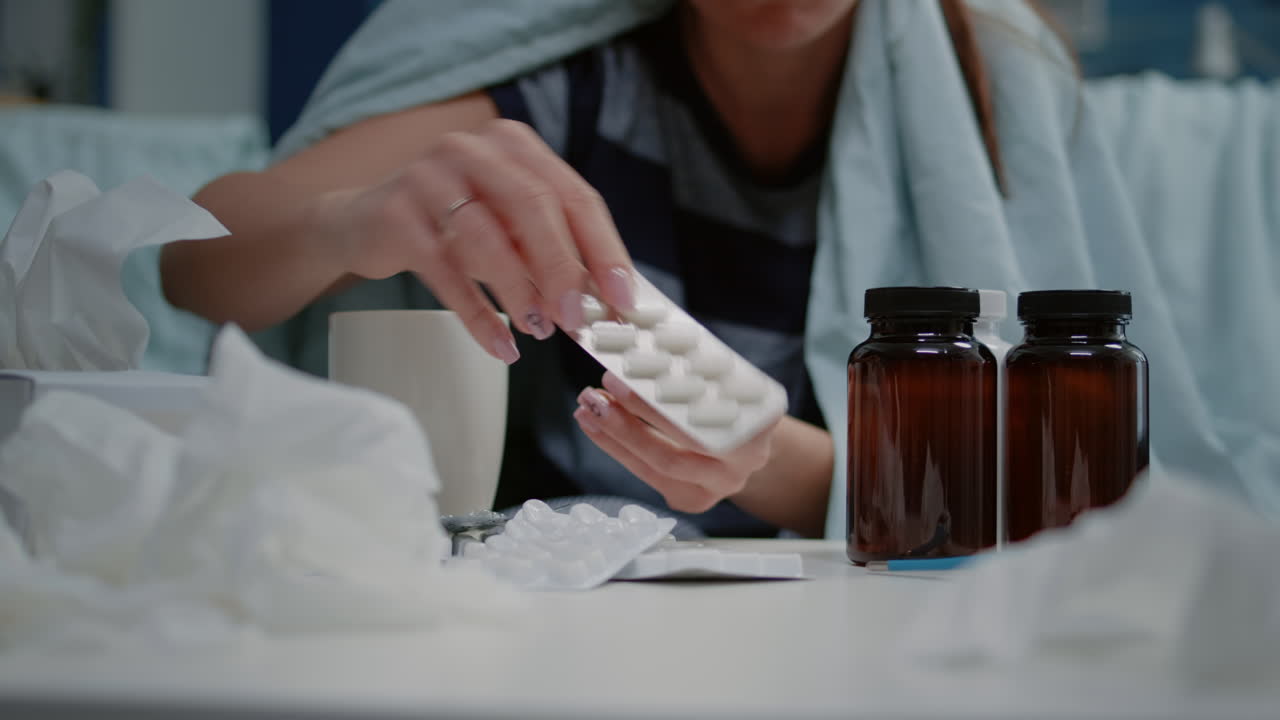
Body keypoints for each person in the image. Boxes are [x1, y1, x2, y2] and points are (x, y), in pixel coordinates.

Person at [167, 0, 1274, 537]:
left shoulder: (996, 89)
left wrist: (770, 461)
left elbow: (1063, 511)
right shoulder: (572, 82)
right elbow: (191, 260)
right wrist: (347, 224)